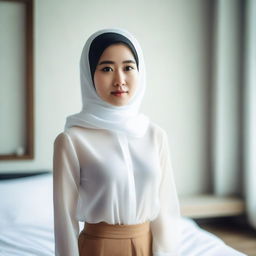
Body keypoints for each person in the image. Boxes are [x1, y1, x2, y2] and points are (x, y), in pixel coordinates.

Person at [53, 28, 181, 256]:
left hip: (148, 247)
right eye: (107, 68)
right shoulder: (72, 140)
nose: (119, 80)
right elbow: (64, 219)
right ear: (89, 74)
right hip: (97, 248)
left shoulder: (155, 135)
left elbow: (167, 211)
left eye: (128, 67)